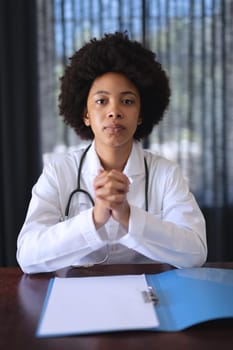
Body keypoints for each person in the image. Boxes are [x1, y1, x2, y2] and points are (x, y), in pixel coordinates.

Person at [17, 32, 207, 273]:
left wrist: (128, 216)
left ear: (140, 115)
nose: (114, 111)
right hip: (77, 297)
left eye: (127, 101)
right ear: (85, 114)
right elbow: (27, 255)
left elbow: (195, 253)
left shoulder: (165, 173)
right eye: (101, 101)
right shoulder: (59, 171)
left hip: (150, 298)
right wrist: (94, 219)